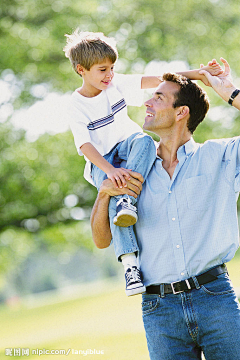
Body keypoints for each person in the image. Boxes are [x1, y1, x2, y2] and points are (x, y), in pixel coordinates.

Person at [90, 57, 240, 359]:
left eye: (159, 97)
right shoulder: (129, 169)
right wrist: (104, 195)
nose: (147, 101)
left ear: (181, 112)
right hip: (159, 312)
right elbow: (102, 240)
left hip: (216, 301)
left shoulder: (220, 157)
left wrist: (231, 93)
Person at [63, 28, 222, 296]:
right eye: (102, 70)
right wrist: (110, 171)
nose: (109, 75)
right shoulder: (75, 105)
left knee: (146, 141)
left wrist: (199, 74)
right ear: (81, 69)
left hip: (130, 149)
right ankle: (130, 267)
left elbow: (160, 79)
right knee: (115, 196)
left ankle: (127, 199)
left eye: (112, 68)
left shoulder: (115, 85)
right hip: (102, 162)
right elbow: (85, 146)